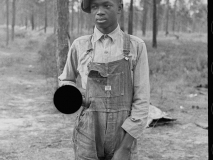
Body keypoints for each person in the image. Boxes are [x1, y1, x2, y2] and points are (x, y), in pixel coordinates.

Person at [58, 0, 150, 159]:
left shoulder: (136, 46)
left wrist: (126, 147)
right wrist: (76, 96)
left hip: (123, 133)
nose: (99, 12)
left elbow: (142, 99)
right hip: (88, 132)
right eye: (94, 7)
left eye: (106, 5)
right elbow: (66, 80)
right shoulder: (79, 45)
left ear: (119, 8)